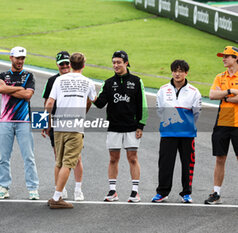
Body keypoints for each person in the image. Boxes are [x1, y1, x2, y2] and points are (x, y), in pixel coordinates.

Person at [94, 50, 148, 202]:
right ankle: (112, 191)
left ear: (126, 63)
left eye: (118, 62)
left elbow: (142, 105)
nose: (116, 65)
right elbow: (99, 104)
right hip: (114, 127)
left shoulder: (137, 81)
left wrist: (140, 126)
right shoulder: (109, 83)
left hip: (131, 127)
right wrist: (91, 94)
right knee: (113, 158)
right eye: (114, 62)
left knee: (132, 158)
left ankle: (135, 192)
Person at [45, 52, 96, 209]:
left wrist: (47, 122)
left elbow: (49, 104)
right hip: (75, 127)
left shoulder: (59, 80)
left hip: (59, 125)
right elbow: (94, 100)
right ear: (84, 65)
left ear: (71, 65)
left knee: (59, 162)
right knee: (69, 162)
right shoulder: (88, 82)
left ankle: (57, 193)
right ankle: (56, 198)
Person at [151, 60, 201, 203]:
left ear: (186, 73)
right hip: (168, 133)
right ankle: (162, 192)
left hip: (187, 134)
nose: (177, 74)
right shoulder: (163, 89)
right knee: (165, 164)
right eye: (175, 70)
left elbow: (196, 113)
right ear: (172, 72)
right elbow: (159, 111)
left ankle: (186, 193)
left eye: (181, 71)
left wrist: (187, 124)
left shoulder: (194, 91)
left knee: (188, 164)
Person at [0, 46, 40, 200]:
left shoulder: (29, 76)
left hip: (24, 121)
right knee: (4, 157)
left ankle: (33, 188)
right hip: (5, 121)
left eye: (23, 58)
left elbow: (28, 95)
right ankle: (3, 187)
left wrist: (9, 88)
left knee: (29, 156)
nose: (20, 61)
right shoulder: (2, 75)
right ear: (11, 58)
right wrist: (18, 88)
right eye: (17, 58)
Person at [41, 51, 84, 201]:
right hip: (56, 124)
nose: (64, 66)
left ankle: (78, 189)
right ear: (57, 65)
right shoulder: (53, 80)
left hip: (73, 123)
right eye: (61, 64)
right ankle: (61, 189)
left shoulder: (78, 80)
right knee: (58, 158)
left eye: (67, 63)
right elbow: (47, 102)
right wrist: (44, 123)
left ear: (70, 64)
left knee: (77, 158)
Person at [205, 46, 238, 205]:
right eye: (223, 56)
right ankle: (216, 193)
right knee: (220, 158)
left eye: (227, 56)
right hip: (223, 122)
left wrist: (223, 95)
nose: (224, 59)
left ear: (236, 58)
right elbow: (212, 95)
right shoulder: (220, 76)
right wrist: (231, 92)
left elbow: (219, 95)